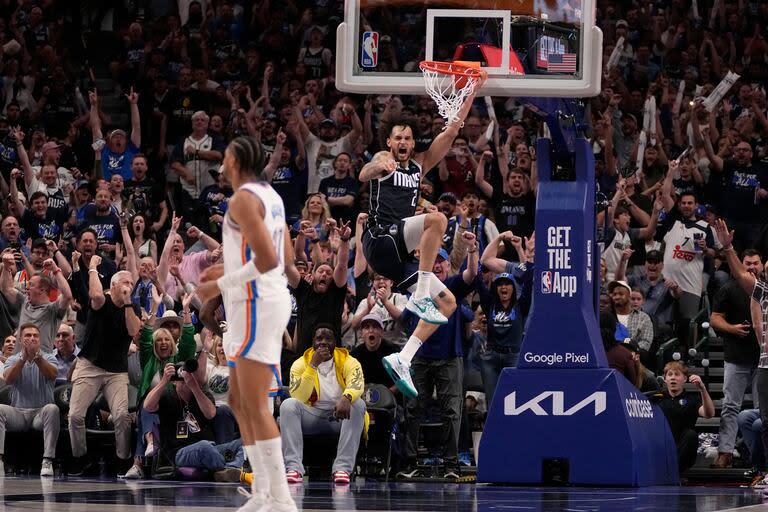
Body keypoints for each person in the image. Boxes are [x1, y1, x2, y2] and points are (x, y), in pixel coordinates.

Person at [358, 76, 485, 398]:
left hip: (397, 255)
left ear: (414, 144)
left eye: (408, 138)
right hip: (379, 239)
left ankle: (403, 357)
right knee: (438, 218)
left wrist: (471, 91)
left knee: (448, 304)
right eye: (397, 137)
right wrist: (377, 166)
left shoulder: (420, 164)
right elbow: (363, 174)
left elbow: (453, 129)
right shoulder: (381, 160)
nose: (402, 142)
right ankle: (423, 289)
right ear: (389, 142)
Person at [196, 136, 297, 512]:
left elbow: (270, 260)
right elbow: (285, 256)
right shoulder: (272, 195)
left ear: (236, 161)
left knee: (255, 405)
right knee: (239, 401)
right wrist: (230, 267)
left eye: (224, 158)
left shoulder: (241, 199)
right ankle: (262, 494)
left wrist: (218, 283)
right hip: (256, 302)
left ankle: (281, 500)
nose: (221, 165)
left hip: (257, 304)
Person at [68, 262, 142, 476]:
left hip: (116, 371)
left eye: (131, 282)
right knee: (74, 416)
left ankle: (122, 460)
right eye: (125, 282)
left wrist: (128, 303)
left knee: (121, 416)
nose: (130, 285)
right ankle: (81, 458)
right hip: (89, 366)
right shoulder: (102, 301)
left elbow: (134, 330)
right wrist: (91, 268)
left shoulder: (133, 307)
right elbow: (94, 293)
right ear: (114, 285)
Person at [281, 324, 366, 485]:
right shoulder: (300, 364)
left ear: (336, 342)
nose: (323, 342)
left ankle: (342, 469)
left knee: (358, 404)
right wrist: (313, 366)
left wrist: (347, 397)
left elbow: (358, 383)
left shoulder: (349, 360)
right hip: (311, 416)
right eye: (319, 338)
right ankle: (294, 469)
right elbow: (299, 395)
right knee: (288, 405)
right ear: (313, 341)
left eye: (329, 339)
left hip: (339, 416)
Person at [710, 249, 762, 469]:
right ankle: (725, 452)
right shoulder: (729, 288)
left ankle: (759, 456)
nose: (751, 267)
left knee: (763, 412)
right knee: (731, 406)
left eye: (755, 263)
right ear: (741, 264)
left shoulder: (765, 290)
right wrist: (732, 329)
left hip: (763, 360)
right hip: (736, 357)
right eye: (747, 263)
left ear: (762, 265)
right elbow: (714, 319)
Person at [0, 324, 59, 477]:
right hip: (18, 413)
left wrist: (36, 357)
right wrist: (23, 359)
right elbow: (8, 379)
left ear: (40, 340)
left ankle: (47, 461)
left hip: (40, 414)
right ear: (20, 340)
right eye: (27, 335)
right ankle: (0, 460)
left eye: (35, 336)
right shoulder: (13, 359)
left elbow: (52, 375)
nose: (32, 338)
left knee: (52, 408)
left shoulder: (50, 357)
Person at [0, 253, 71, 353]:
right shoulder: (24, 302)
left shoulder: (53, 309)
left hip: (41, 364)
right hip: (18, 362)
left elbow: (67, 296)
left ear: (42, 290)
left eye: (31, 285)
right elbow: (6, 289)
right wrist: (6, 266)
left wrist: (55, 270)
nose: (26, 287)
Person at [657, 361, 715, 472]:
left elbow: (709, 414)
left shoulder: (692, 399)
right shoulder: (657, 398)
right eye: (670, 375)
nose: (673, 378)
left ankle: (673, 472)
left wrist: (702, 389)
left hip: (683, 448)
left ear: (684, 378)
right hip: (662, 446)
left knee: (691, 434)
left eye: (677, 374)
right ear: (665, 379)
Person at [350, 314, 397, 391]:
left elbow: (403, 379)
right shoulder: (355, 355)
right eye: (366, 327)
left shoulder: (393, 352)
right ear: (361, 333)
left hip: (390, 396)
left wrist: (389, 392)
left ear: (381, 332)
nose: (371, 331)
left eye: (375, 327)